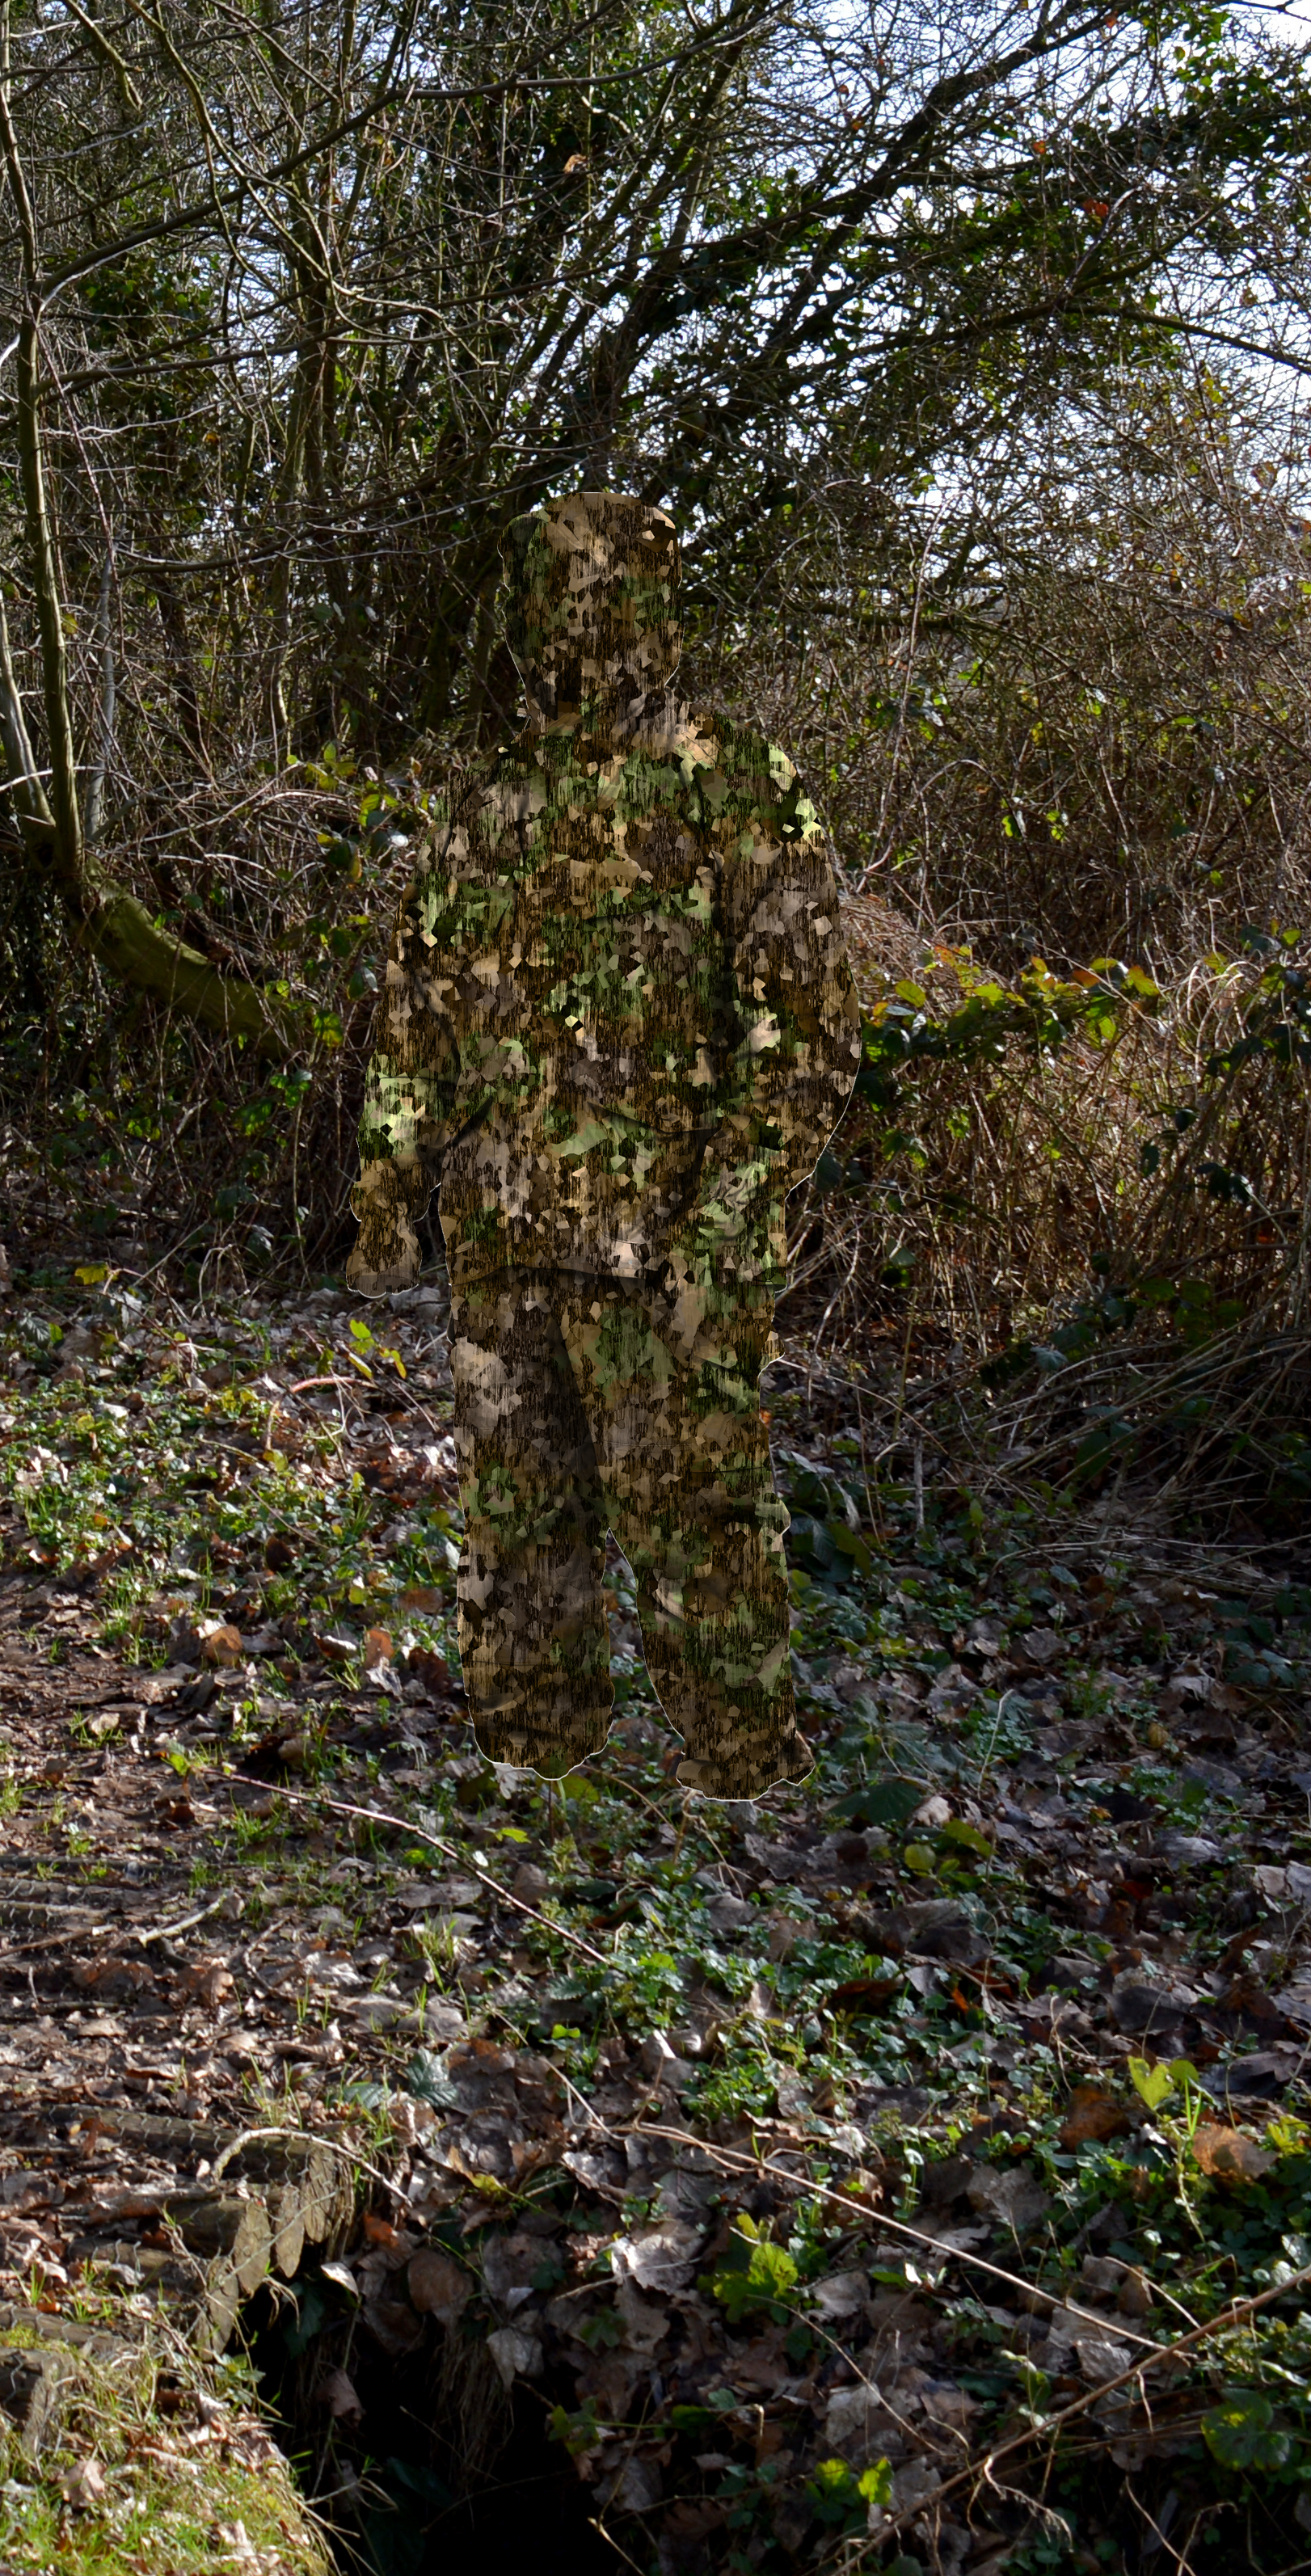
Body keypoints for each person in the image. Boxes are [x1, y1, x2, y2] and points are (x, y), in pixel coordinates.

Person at [349, 492, 851, 1793]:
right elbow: (413, 1020)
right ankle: (532, 1783)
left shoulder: (737, 785)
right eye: (556, 601)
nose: (579, 629)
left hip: (665, 1256)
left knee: (697, 1537)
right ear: (527, 620)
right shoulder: (491, 810)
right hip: (506, 1244)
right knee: (520, 1539)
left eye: (600, 599)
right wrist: (387, 1192)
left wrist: (727, 1235)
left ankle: (746, 1797)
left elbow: (803, 1043)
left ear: (653, 606)